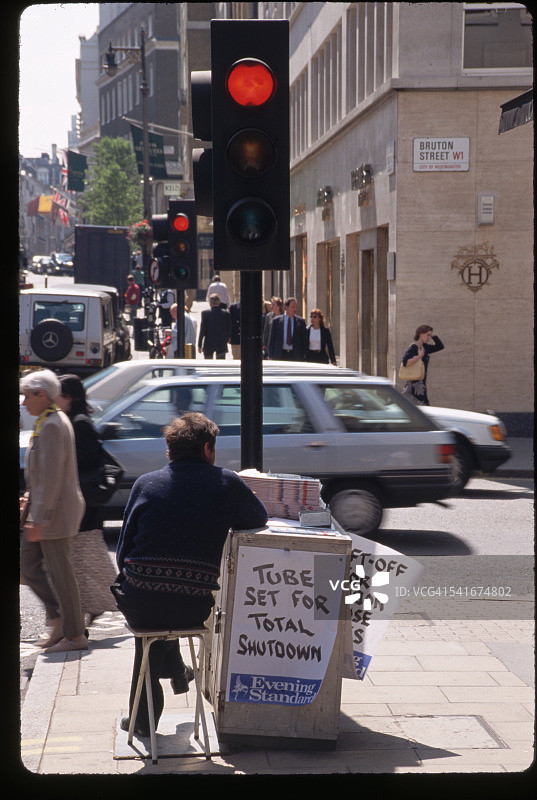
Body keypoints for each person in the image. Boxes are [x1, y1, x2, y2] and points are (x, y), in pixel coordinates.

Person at [111, 412, 268, 736]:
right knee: (168, 611)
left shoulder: (147, 483)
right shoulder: (226, 482)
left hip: (141, 599)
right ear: (208, 448)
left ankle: (143, 721)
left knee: (150, 632)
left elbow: (123, 552)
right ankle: (177, 671)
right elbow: (257, 518)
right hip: (193, 603)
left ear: (169, 451)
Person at [20, 370, 88, 653]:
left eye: (26, 396)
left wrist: (39, 519)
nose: (23, 403)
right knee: (27, 564)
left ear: (41, 394)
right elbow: (40, 474)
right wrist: (27, 499)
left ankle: (74, 635)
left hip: (55, 514)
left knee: (61, 574)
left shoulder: (51, 424)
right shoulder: (45, 421)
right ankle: (60, 621)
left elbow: (51, 479)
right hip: (47, 511)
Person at [56, 375, 118, 626]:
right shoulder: (73, 421)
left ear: (69, 397)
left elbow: (89, 460)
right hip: (81, 505)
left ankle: (87, 611)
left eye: (57, 395)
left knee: (86, 561)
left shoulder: (79, 423)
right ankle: (88, 608)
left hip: (85, 506)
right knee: (84, 561)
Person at [401, 324, 445, 406]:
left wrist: (433, 336)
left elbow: (440, 346)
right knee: (422, 407)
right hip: (414, 384)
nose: (429, 337)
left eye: (430, 335)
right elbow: (405, 362)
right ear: (421, 334)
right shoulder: (414, 347)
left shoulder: (425, 347)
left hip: (421, 383)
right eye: (427, 335)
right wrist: (419, 356)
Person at [268, 296, 308, 361]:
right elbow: (272, 340)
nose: (295, 309)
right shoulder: (276, 321)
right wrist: (271, 356)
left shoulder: (301, 322)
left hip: (295, 356)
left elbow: (305, 341)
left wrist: (304, 356)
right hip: (280, 355)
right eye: (293, 307)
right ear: (286, 307)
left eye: (296, 307)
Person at [198, 294, 231, 359]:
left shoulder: (205, 313)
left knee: (208, 363)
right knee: (220, 364)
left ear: (210, 303)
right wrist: (227, 338)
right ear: (219, 303)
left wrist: (199, 345)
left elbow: (202, 330)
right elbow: (229, 328)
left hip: (209, 343)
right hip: (221, 342)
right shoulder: (226, 313)